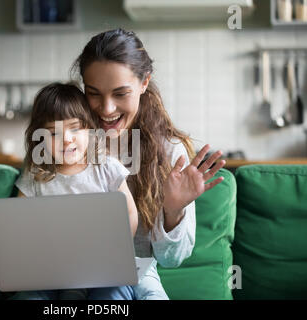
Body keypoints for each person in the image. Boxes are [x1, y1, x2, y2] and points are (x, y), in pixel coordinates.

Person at [68, 28, 227, 299]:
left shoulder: (168, 150)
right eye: (94, 93)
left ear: (144, 83)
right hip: (69, 275)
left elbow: (171, 260)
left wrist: (173, 211)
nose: (106, 109)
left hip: (132, 278)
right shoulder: (66, 143)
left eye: (120, 94)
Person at [6, 82, 168, 300]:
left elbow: (129, 212)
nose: (67, 139)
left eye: (75, 128)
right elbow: (18, 223)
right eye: (54, 133)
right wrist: (13, 264)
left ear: (90, 129)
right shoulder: (36, 176)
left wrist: (117, 249)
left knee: (113, 295)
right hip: (54, 270)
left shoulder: (106, 167)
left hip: (104, 266)